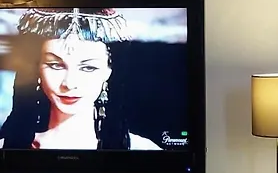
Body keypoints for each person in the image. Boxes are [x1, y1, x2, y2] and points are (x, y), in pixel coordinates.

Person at [0, 8, 161, 150]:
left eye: (88, 67)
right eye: (55, 65)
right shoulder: (7, 149)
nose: (69, 83)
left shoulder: (144, 152)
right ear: (37, 68)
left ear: (109, 71)